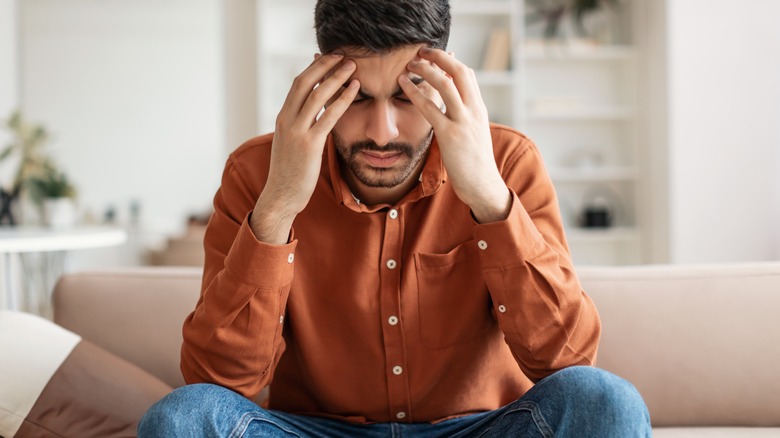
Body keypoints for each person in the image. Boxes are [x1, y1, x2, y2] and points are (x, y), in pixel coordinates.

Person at [139, 0, 651, 436]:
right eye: (357, 98)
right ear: (319, 79)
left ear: (445, 76)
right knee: (181, 418)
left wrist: (489, 201)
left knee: (606, 401)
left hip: (479, 426)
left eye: (405, 98)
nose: (381, 133)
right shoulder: (255, 173)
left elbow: (568, 360)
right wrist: (277, 209)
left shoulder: (509, 162)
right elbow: (218, 382)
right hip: (318, 427)